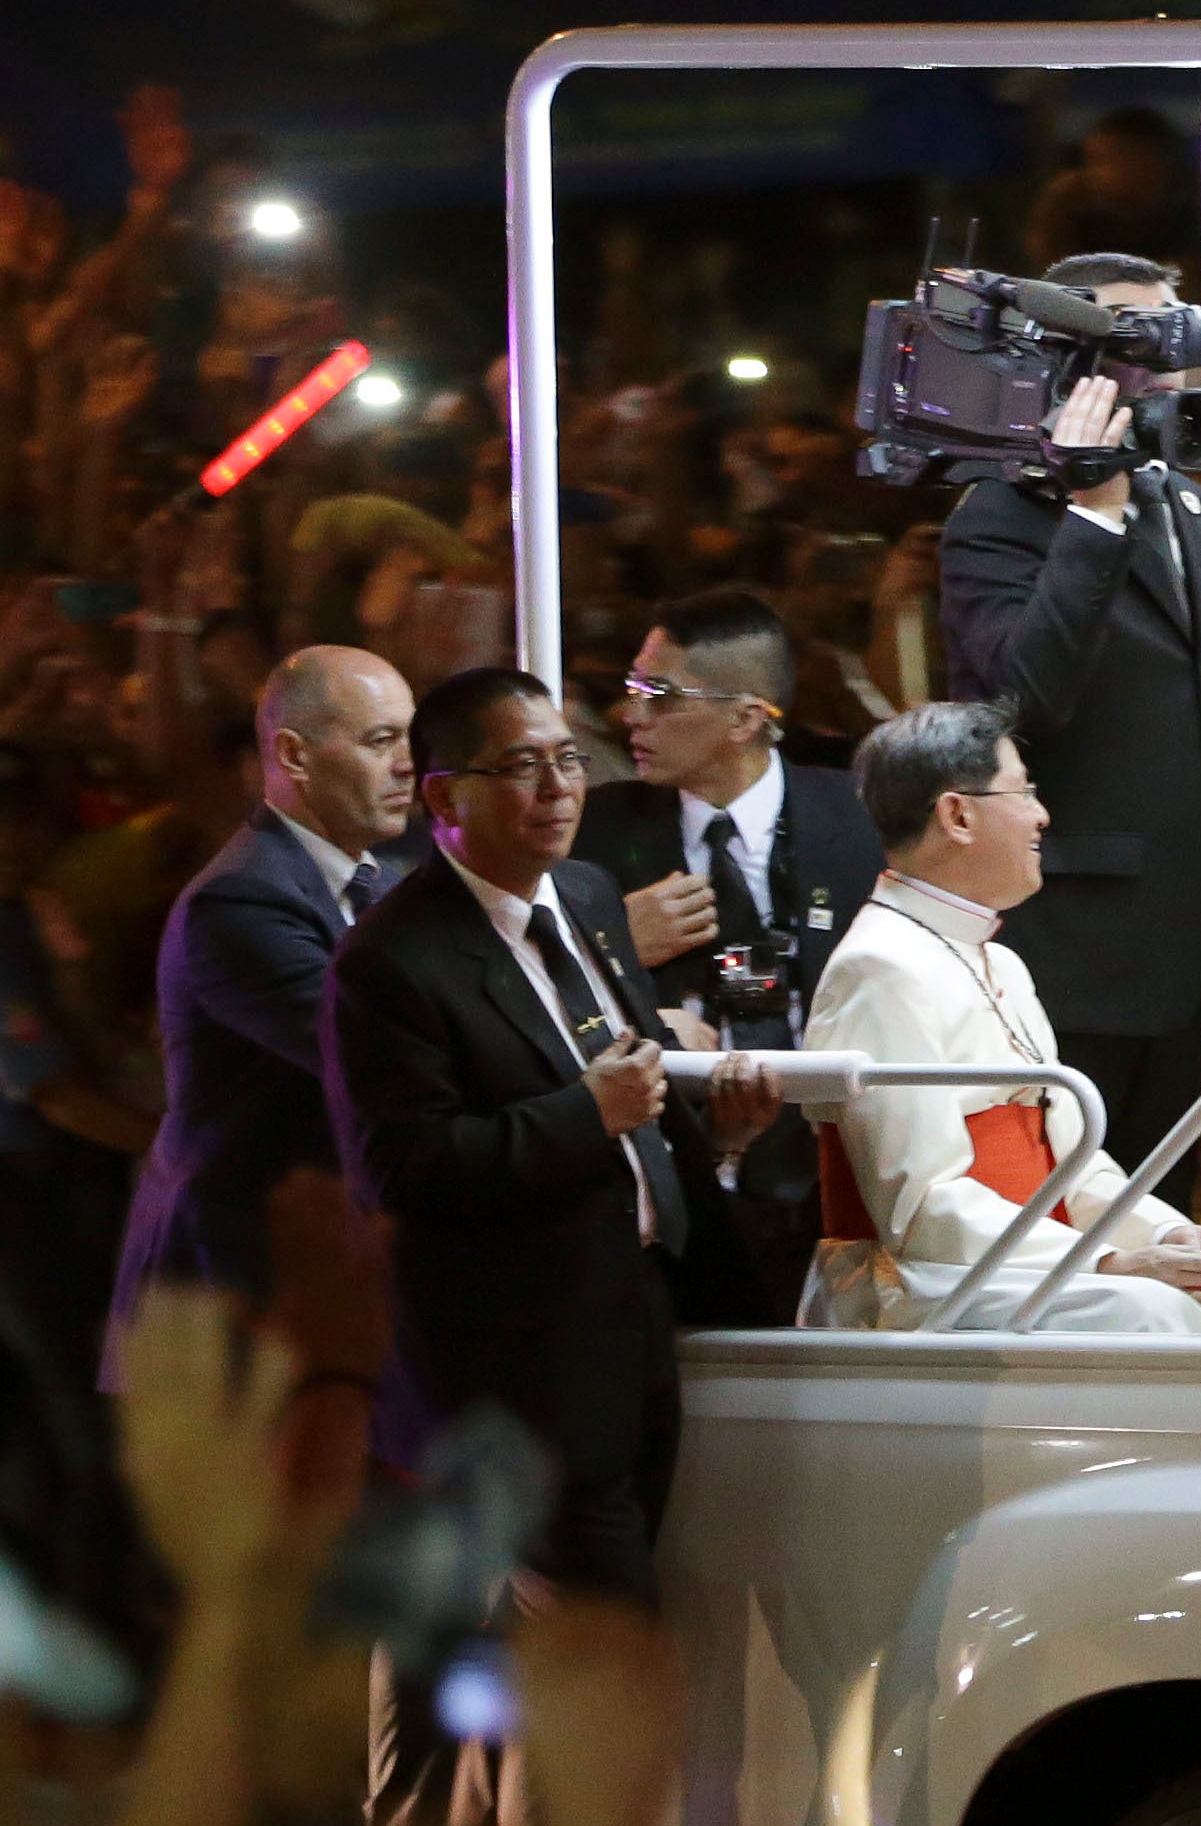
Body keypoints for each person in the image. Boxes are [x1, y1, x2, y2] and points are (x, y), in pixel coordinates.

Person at [321, 666, 781, 1600]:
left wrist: (720, 1146)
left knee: (612, 1644)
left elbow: (634, 1083)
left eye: (569, 760)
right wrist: (587, 1112)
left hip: (641, 1319)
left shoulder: (586, 893)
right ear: (445, 796)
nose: (559, 788)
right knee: (611, 1650)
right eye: (522, 767)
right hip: (521, 1366)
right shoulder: (389, 959)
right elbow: (406, 1170)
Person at [935, 252, 1201, 1193]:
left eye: (1171, 336)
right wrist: (1089, 518)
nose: (1161, 362)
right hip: (1067, 943)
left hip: (1185, 941)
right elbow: (1017, 704)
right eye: (1132, 337)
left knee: (1168, 1217)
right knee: (1071, 1220)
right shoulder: (998, 516)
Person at [798, 700, 1201, 1338]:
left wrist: (1166, 1232)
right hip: (922, 1278)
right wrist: (1110, 1261)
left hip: (1020, 1255)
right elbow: (922, 1207)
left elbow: (1074, 1164)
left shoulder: (1001, 962)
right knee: (1154, 1312)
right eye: (1024, 792)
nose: (1041, 816)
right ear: (959, 814)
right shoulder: (879, 967)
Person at [580, 586, 883, 1315]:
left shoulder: (860, 819)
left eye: (660, 695)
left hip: (841, 1152)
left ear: (747, 717)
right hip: (674, 1160)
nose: (632, 716)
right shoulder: (595, 833)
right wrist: (619, 943)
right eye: (631, 690)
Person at [105, 647, 413, 1351]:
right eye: (379, 740)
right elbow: (378, 1051)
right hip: (230, 1300)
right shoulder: (241, 899)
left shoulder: (387, 886)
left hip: (314, 1283)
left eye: (408, 737)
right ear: (293, 755)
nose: (407, 764)